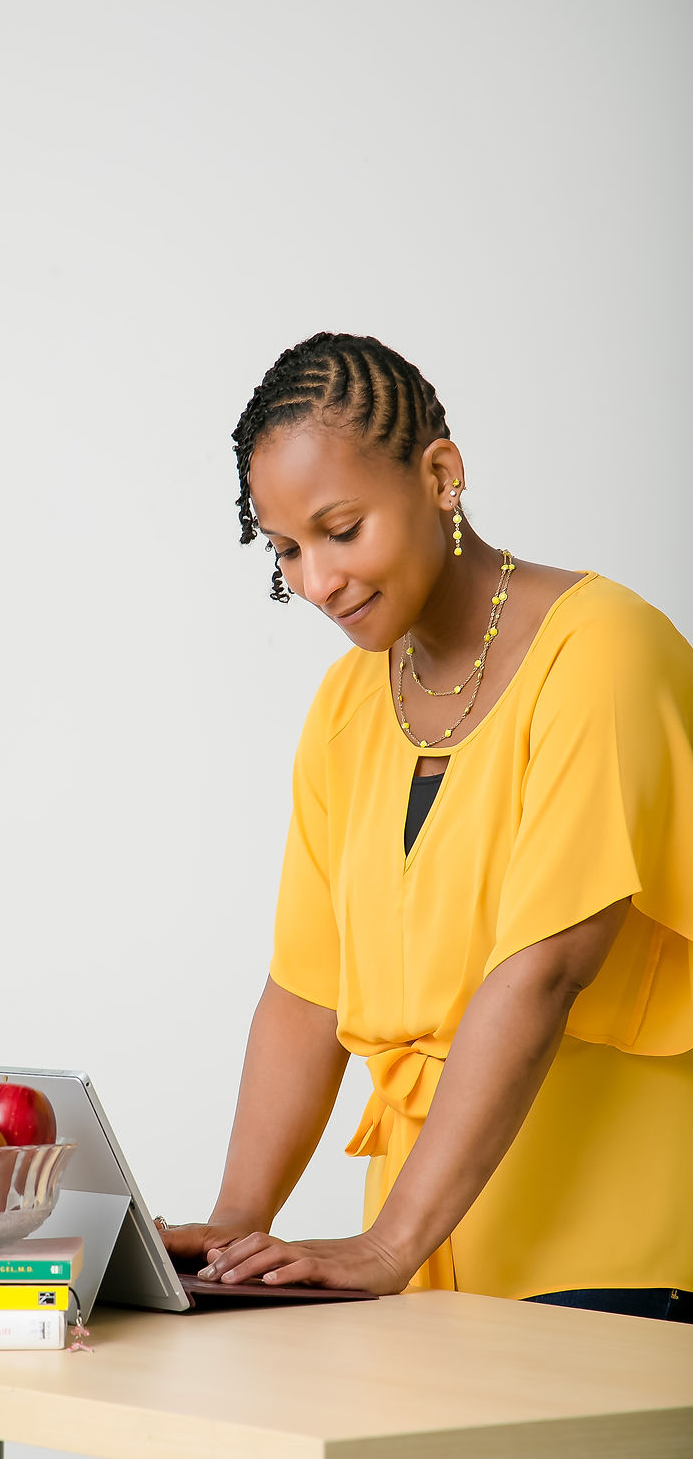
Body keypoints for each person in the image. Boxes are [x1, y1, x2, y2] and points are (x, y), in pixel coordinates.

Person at [159, 332, 693, 1321]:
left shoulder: (603, 652)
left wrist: (387, 1243)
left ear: (439, 475)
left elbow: (543, 967)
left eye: (340, 528)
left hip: (620, 1264)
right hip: (431, 1278)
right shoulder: (347, 705)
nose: (316, 581)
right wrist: (236, 1219)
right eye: (286, 550)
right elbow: (304, 992)